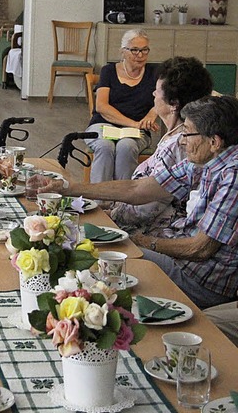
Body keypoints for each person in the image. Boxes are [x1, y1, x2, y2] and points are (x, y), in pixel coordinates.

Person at [41, 95, 238, 310]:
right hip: (181, 259)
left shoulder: (233, 175)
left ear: (214, 141)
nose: (182, 141)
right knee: (89, 245)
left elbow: (199, 249)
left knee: (97, 256)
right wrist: (68, 188)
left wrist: (142, 242)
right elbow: (137, 189)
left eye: (187, 133)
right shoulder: (208, 162)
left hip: (198, 280)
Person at [109, 56, 213, 236]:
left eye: (157, 91)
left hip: (160, 234)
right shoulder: (174, 135)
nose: (153, 95)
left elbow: (146, 206)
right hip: (142, 222)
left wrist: (111, 214)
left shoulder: (180, 143)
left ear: (174, 104)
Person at [85, 29, 159, 183]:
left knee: (126, 146)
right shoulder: (109, 71)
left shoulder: (154, 73)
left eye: (144, 50)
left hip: (137, 132)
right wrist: (134, 124)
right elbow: (101, 107)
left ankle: (124, 202)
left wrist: (151, 115)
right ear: (123, 52)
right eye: (134, 50)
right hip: (103, 125)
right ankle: (100, 199)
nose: (140, 55)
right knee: (105, 146)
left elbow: (163, 100)